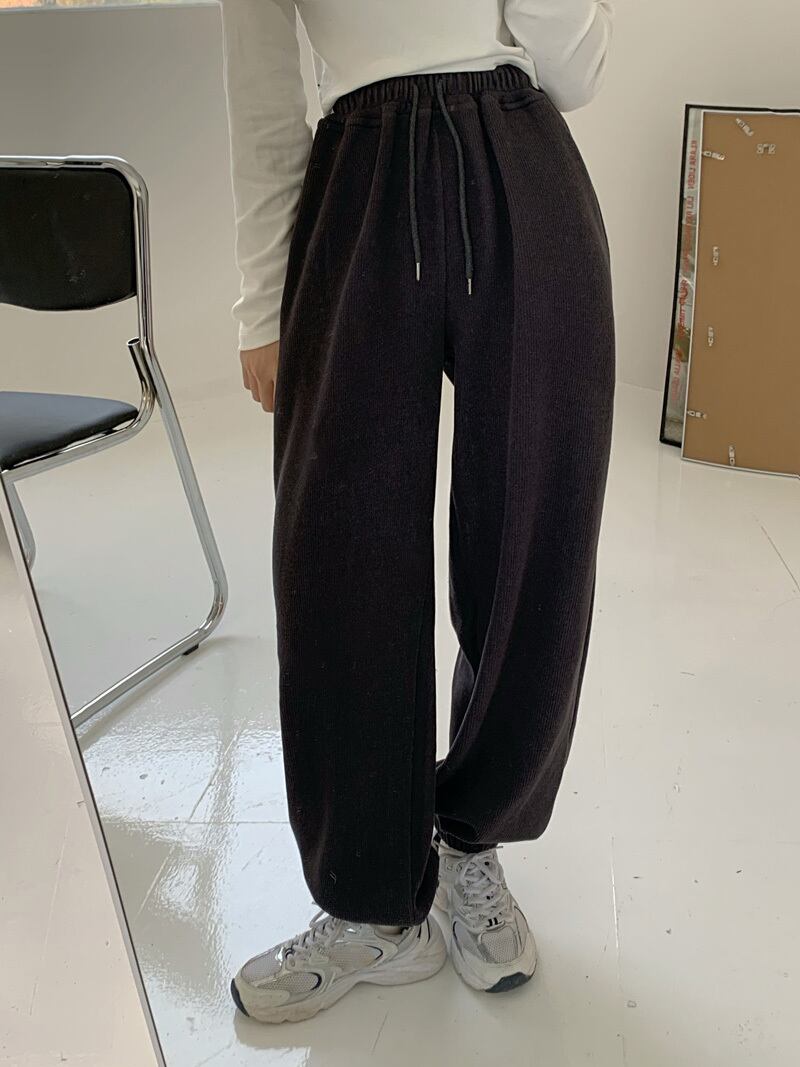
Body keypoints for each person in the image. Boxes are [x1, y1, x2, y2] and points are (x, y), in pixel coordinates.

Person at [219, 0, 616, 1024]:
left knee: (534, 532)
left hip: (522, 164)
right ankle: (370, 902)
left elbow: (574, 68)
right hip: (355, 181)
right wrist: (262, 304)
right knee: (338, 553)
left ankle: (472, 838)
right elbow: (261, 97)